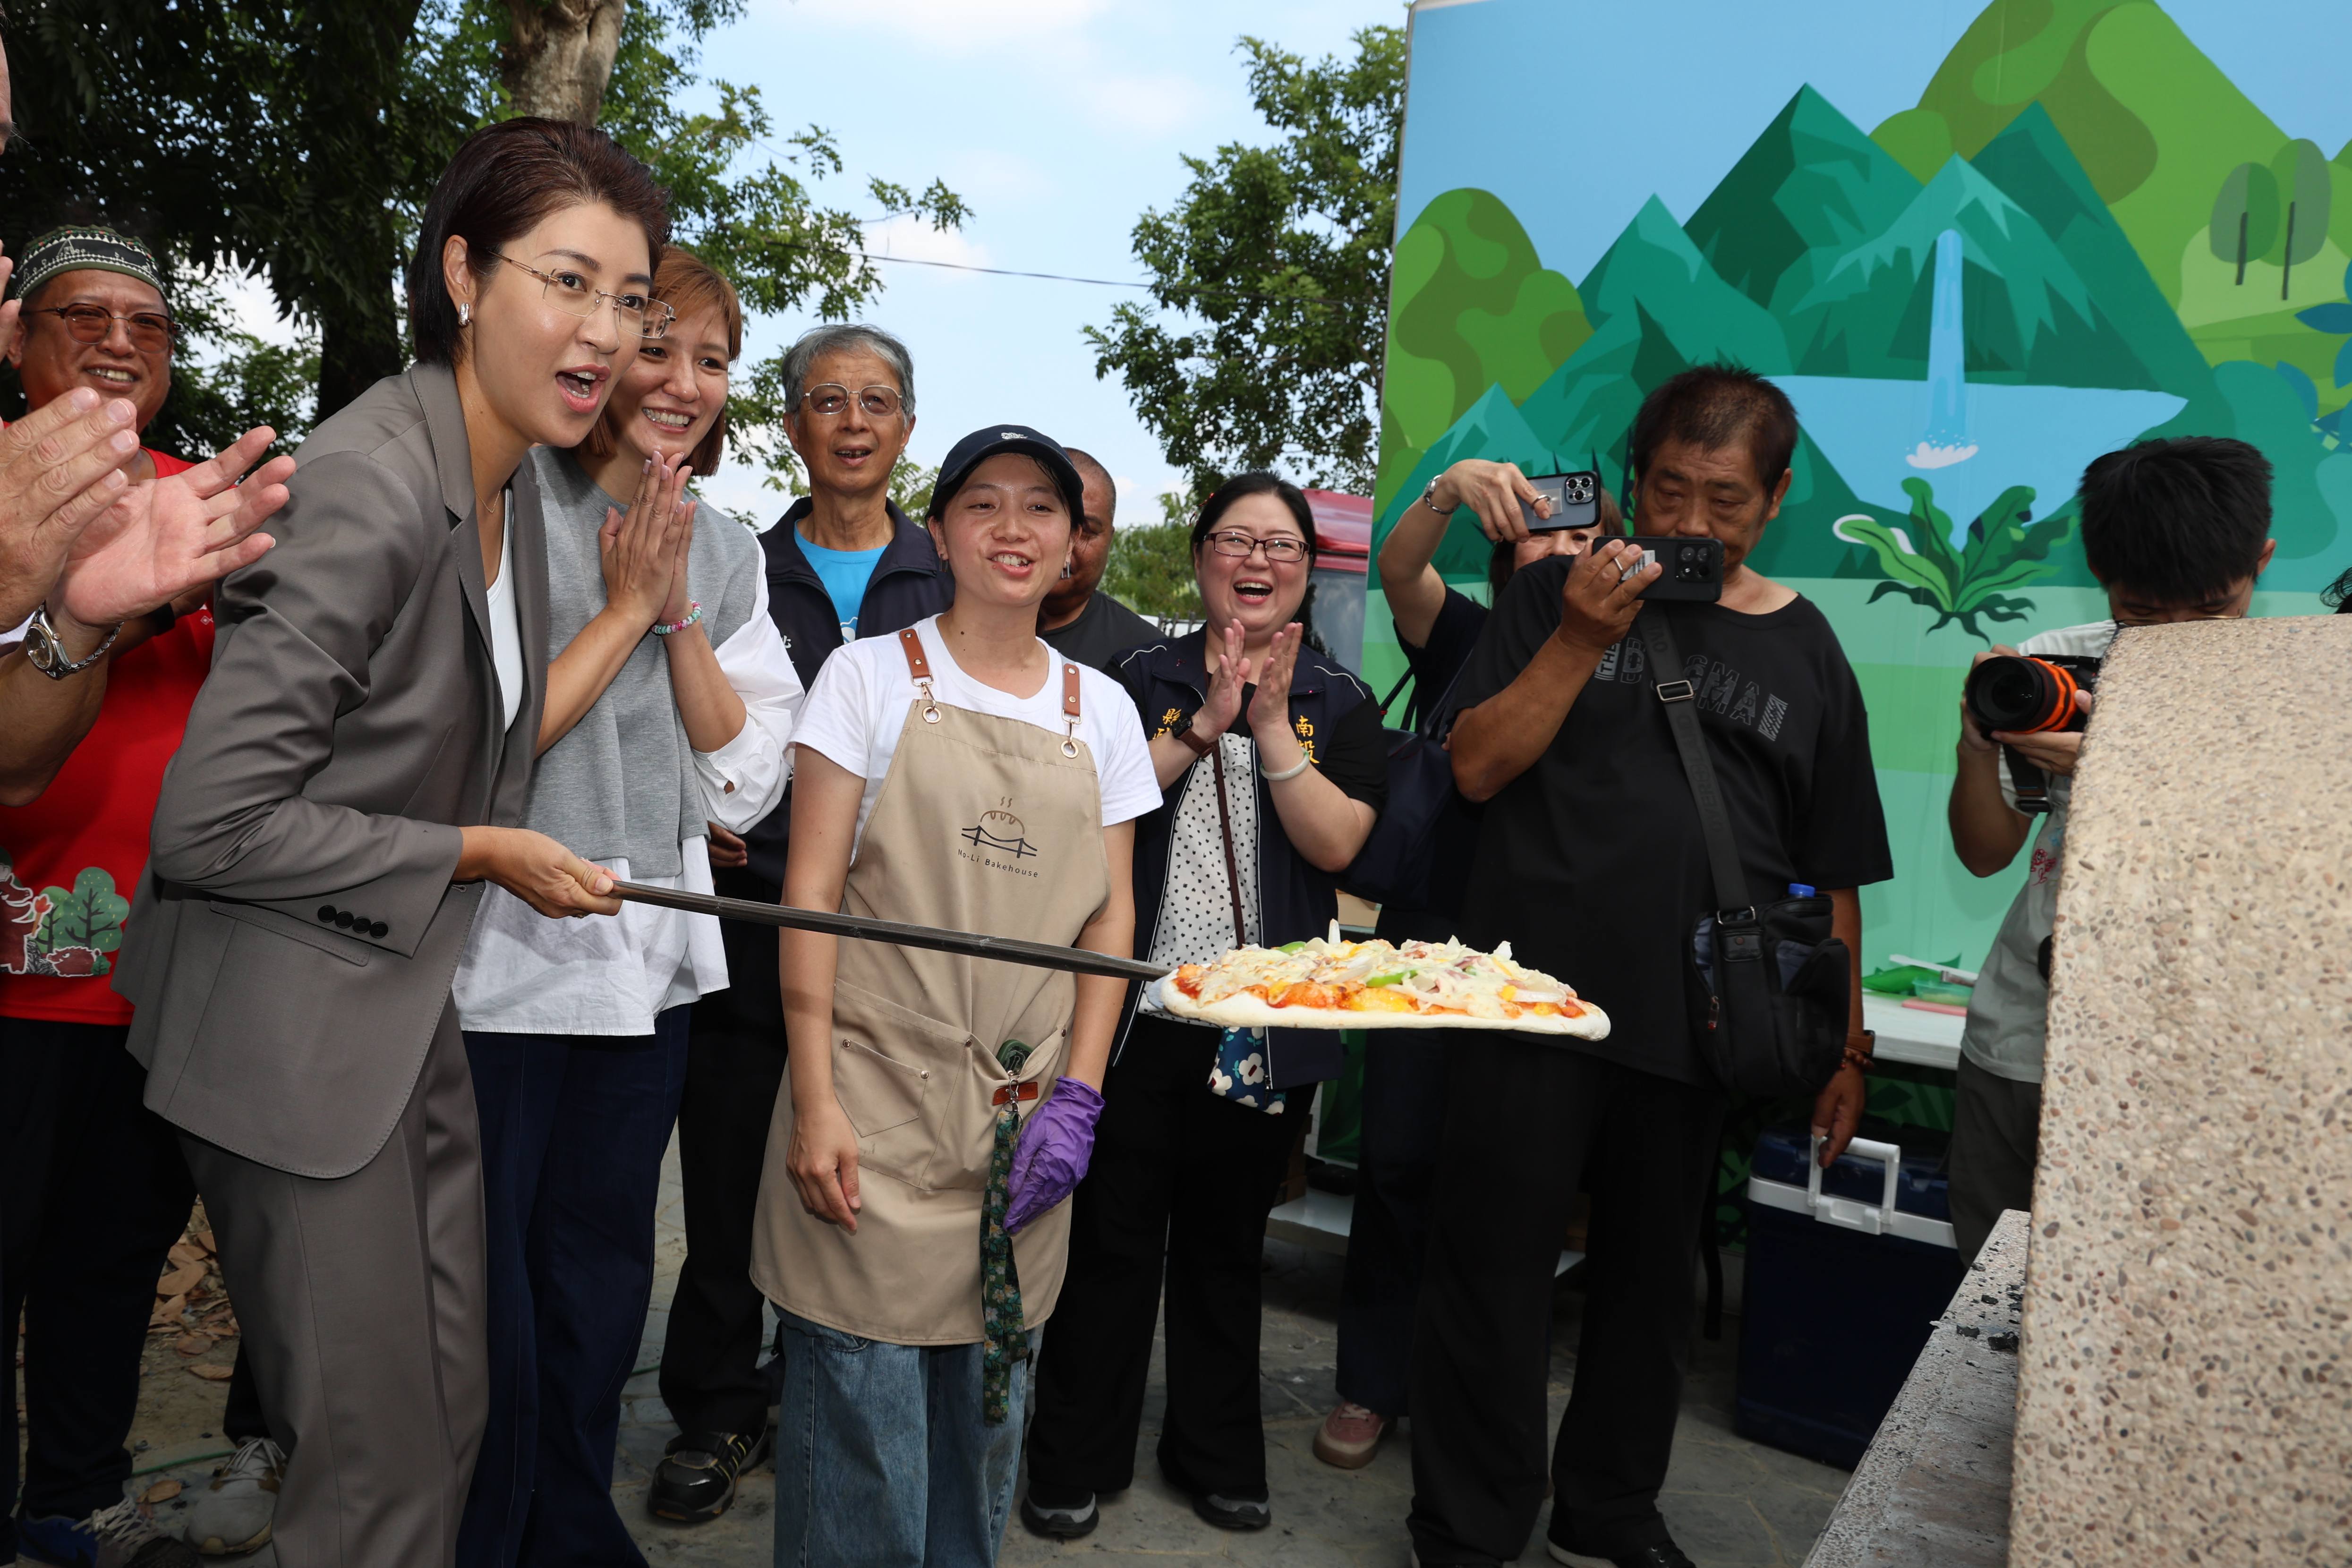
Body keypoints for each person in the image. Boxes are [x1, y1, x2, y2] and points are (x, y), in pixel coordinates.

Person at [109, 118, 667, 1568]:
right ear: (463, 276)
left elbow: (480, 740)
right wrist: (478, 852)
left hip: (403, 1016)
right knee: (375, 1474)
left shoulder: (510, 483)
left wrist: (511, 819)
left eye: (629, 299)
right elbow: (213, 821)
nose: (605, 332)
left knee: (451, 1413)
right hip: (287, 1037)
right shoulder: (367, 479)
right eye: (568, 282)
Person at [1412, 366, 1890, 1568]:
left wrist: (1844, 1042)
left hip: (1701, 1018)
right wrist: (1580, 634)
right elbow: (1474, 767)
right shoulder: (1549, 597)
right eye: (1669, 490)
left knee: (1650, 1285)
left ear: (1775, 498)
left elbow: (1831, 869)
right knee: (1490, 1269)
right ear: (1632, 480)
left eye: (1724, 500)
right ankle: (1468, 1527)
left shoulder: (1807, 649)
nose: (1690, 522)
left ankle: (1608, 1510)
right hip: (1525, 1004)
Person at [449, 246, 801, 1568]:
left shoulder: (728, 547)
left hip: (646, 958)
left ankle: (568, 1525)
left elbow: (747, 779)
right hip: (492, 958)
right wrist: (620, 604)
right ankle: (480, 1531)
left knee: (600, 1273)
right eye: (658, 347)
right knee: (481, 1276)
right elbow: (477, 749)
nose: (683, 383)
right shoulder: (502, 498)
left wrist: (670, 615)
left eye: (712, 361)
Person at [753, 424, 1155, 1567]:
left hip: (1019, 1130)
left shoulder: (1102, 710)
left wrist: (1080, 1096)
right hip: (870, 1110)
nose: (1013, 529)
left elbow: (1109, 922)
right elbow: (810, 897)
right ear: (939, 532)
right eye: (984, 504)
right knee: (860, 1450)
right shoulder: (867, 677)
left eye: (1043, 508)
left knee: (981, 1445)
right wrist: (816, 1102)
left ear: (1075, 543)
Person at [0, 225, 292, 1568]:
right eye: (83, 314)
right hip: (11, 980)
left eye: (149, 321)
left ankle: (76, 1500)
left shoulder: (212, 507)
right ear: (18, 337)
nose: (120, 340)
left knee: (109, 1262)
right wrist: (109, 609)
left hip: (160, 982)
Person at [1024, 473, 1388, 1539]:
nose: (1257, 560)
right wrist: (1206, 723)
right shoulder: (1134, 680)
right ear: (1200, 560)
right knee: (1110, 1245)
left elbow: (1340, 846)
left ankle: (1214, 1454)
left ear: (1306, 570)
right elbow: (1091, 806)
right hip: (1132, 1019)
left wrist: (1269, 727)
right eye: (1235, 539)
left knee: (1227, 1252)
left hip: (1258, 1030)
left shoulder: (1340, 700)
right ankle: (1076, 1454)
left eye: (1281, 545)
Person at [651, 322, 951, 1524]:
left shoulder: (950, 575)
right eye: (827, 400)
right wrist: (693, 806)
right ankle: (717, 1408)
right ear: (790, 427)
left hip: (900, 941)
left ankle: (842, 1403)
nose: (853, 422)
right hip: (752, 919)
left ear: (907, 428)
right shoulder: (736, 563)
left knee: (873, 1185)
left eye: (876, 401)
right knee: (730, 1177)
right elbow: (668, 709)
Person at [1312, 458, 1612, 1469]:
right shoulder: (1469, 635)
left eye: (1585, 541)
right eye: (1544, 536)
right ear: (1505, 551)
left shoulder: (1622, 660)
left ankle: (1468, 1403)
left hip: (1549, 958)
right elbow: (1401, 572)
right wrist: (1444, 490)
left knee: (1513, 1192)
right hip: (1432, 940)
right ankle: (1371, 1383)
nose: (1563, 554)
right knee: (1399, 1161)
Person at [1945, 436, 2275, 1267]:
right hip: (2023, 1040)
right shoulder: (2058, 665)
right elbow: (1985, 855)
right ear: (2102, 576)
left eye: (2209, 611)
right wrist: (1977, 748)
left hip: (2190, 1068)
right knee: (1990, 1298)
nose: (2175, 637)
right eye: (2144, 614)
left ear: (2261, 563)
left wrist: (2114, 764)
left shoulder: (2291, 691)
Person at [1038, 445, 1155, 669]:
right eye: (1044, 519)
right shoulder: (968, 626)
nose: (1064, 546)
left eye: (1086, 531)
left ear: (1110, 540)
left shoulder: (1146, 656)